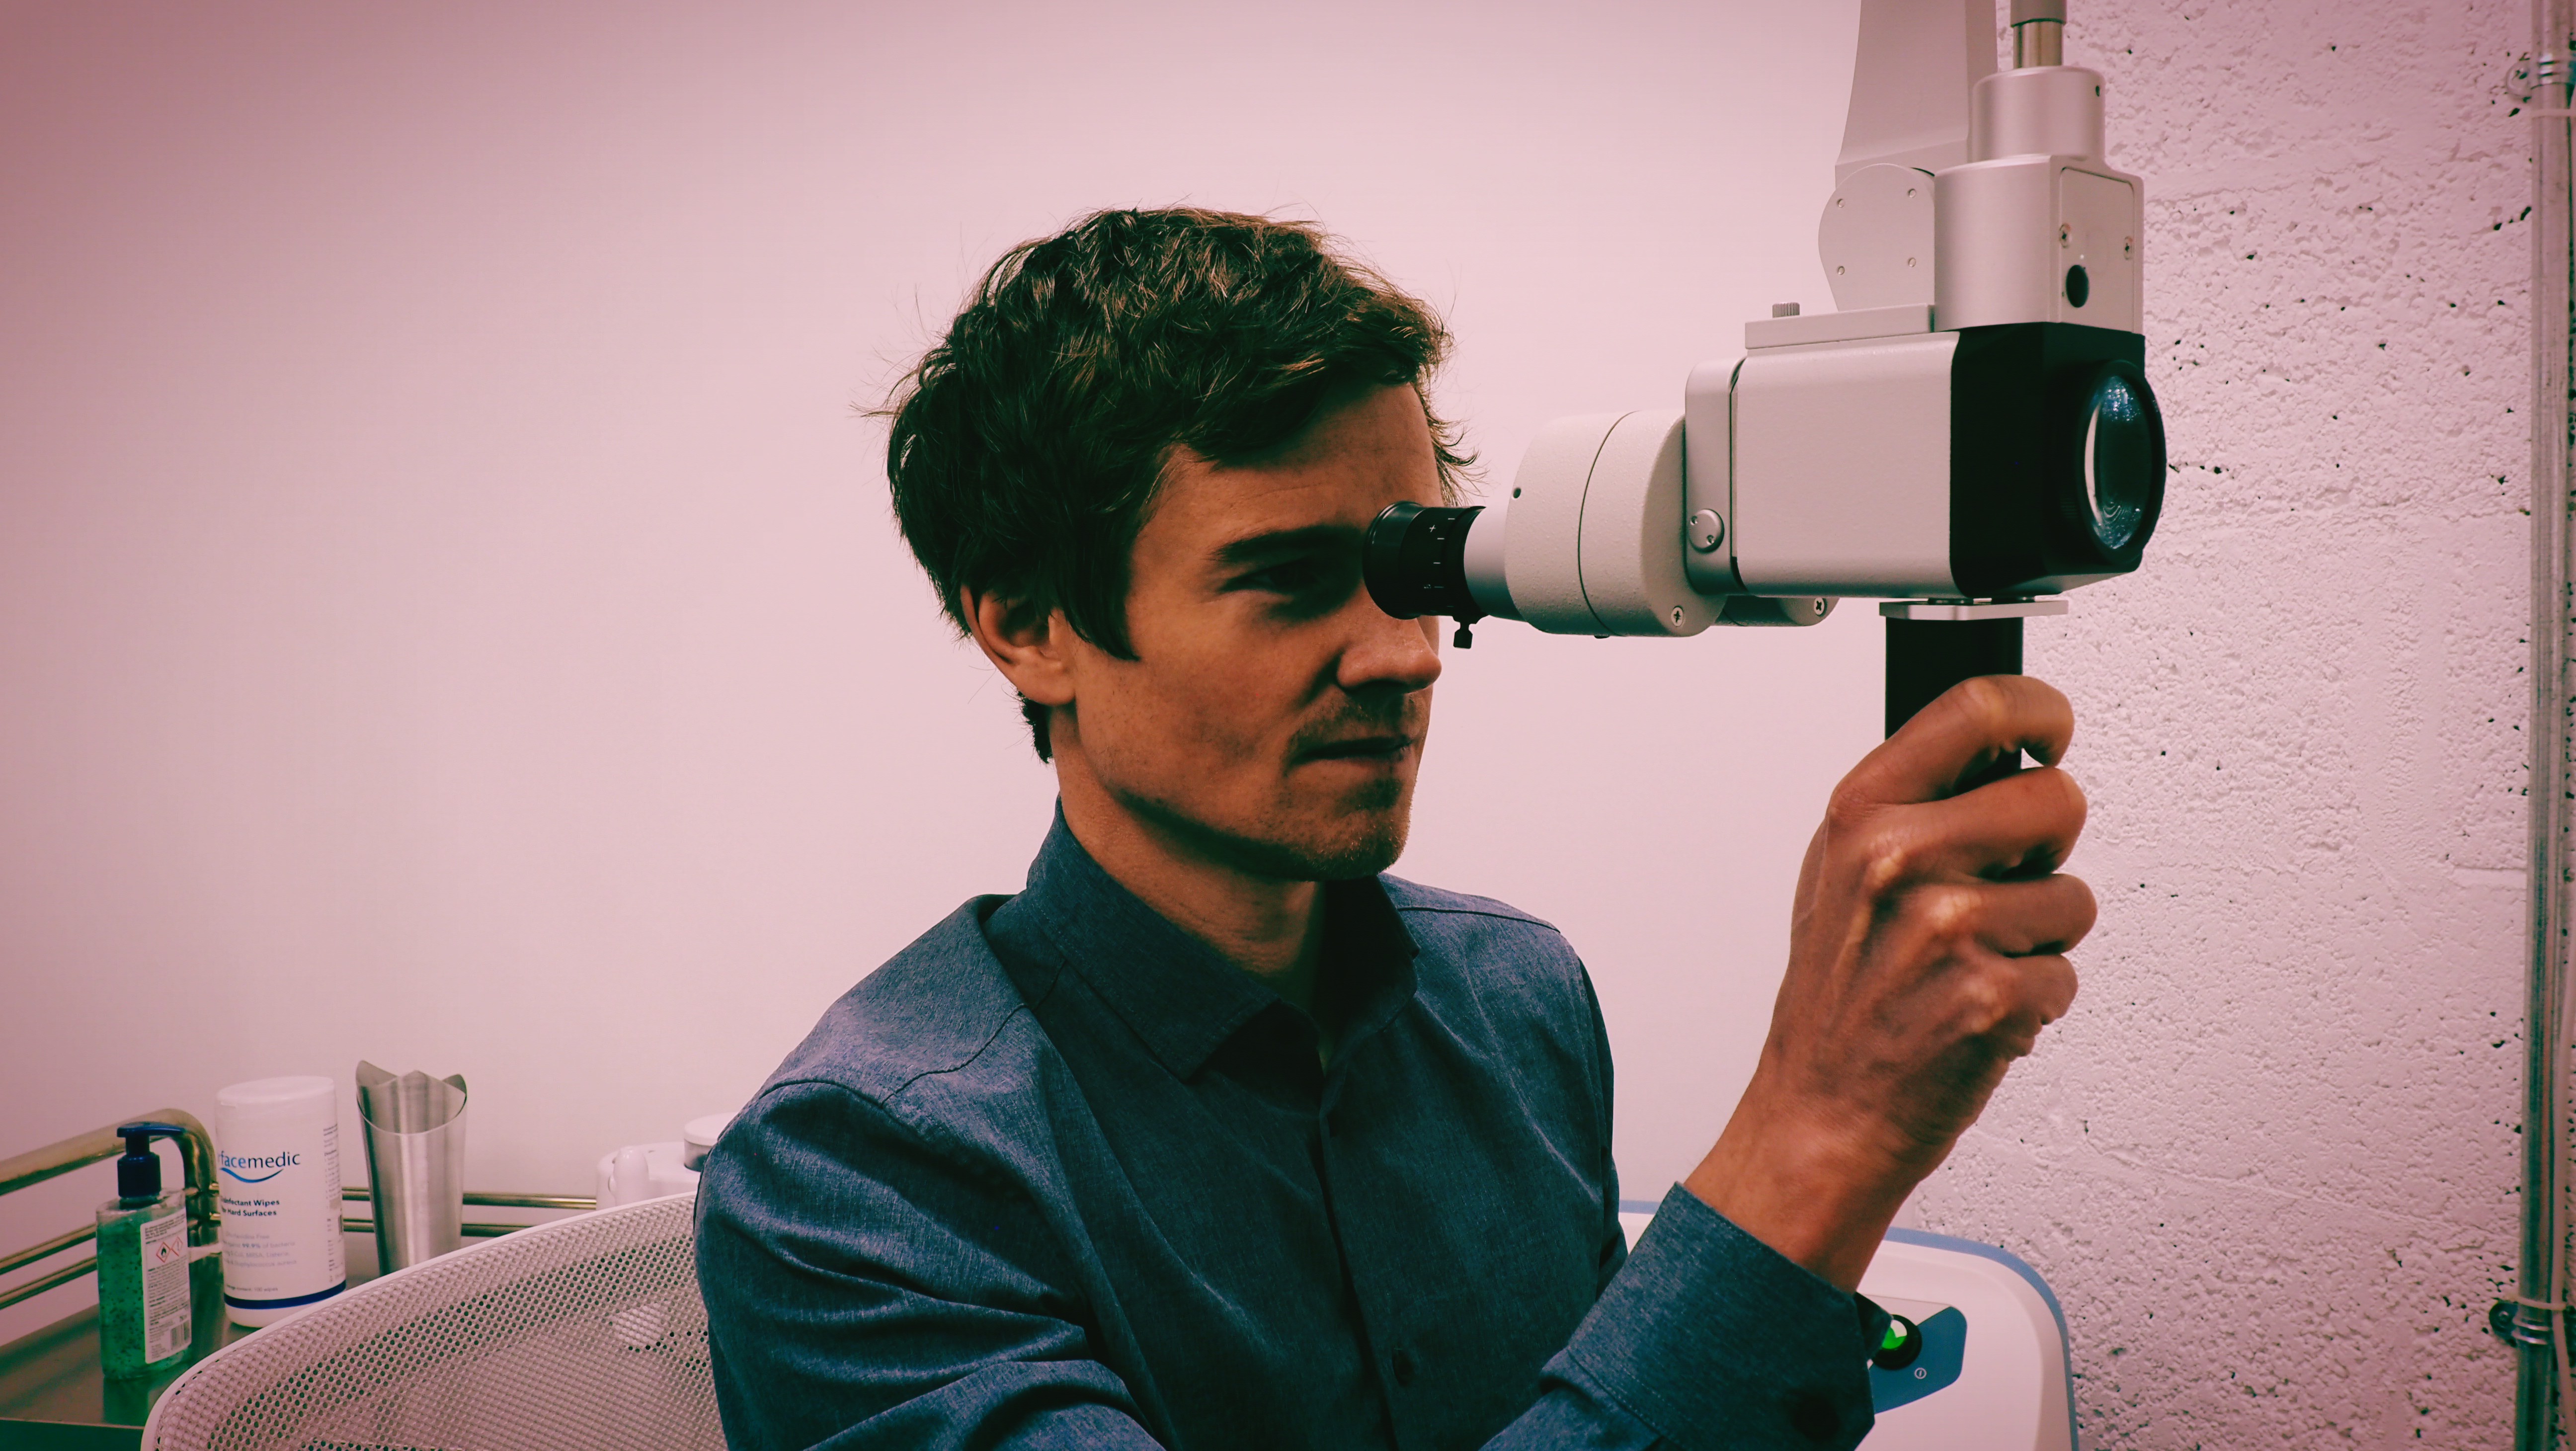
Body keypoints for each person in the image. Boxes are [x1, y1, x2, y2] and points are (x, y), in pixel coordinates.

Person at [695, 208, 2093, 1451]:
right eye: (1288, 578)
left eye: (1415, 567)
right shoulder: (862, 1184)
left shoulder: (1520, 1001)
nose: (1406, 653)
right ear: (1028, 626)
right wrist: (1819, 1133)